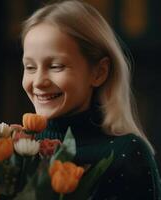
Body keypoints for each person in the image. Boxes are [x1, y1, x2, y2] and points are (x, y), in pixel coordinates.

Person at [21, 0, 161, 199]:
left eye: (56, 66)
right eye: (30, 67)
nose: (38, 81)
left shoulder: (127, 154)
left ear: (99, 72)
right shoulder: (13, 150)